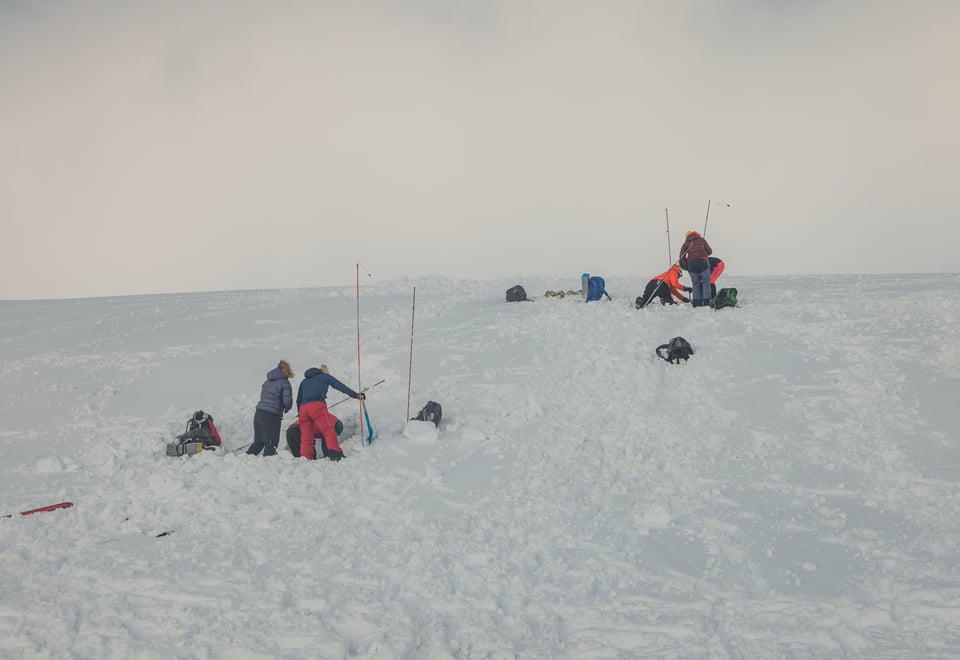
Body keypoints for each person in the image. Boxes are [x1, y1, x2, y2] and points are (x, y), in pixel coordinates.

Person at [296, 364, 364, 461]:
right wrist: (355, 395)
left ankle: (305, 458)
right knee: (328, 430)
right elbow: (340, 386)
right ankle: (335, 453)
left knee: (306, 437)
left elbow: (299, 399)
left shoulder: (304, 381)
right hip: (317, 406)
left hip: (303, 409)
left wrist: (300, 413)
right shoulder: (325, 376)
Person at [247, 360, 293, 456]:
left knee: (259, 441)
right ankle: (270, 465)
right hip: (271, 415)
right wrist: (287, 407)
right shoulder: (284, 383)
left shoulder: (268, 381)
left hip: (259, 412)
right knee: (271, 442)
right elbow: (287, 401)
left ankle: (244, 460)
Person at [678, 230, 713, 307]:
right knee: (706, 282)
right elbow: (709, 251)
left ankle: (697, 303)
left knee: (695, 283)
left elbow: (681, 256)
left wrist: (686, 265)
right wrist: (703, 252)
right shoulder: (701, 240)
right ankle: (707, 302)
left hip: (691, 264)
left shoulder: (686, 244)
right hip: (703, 261)